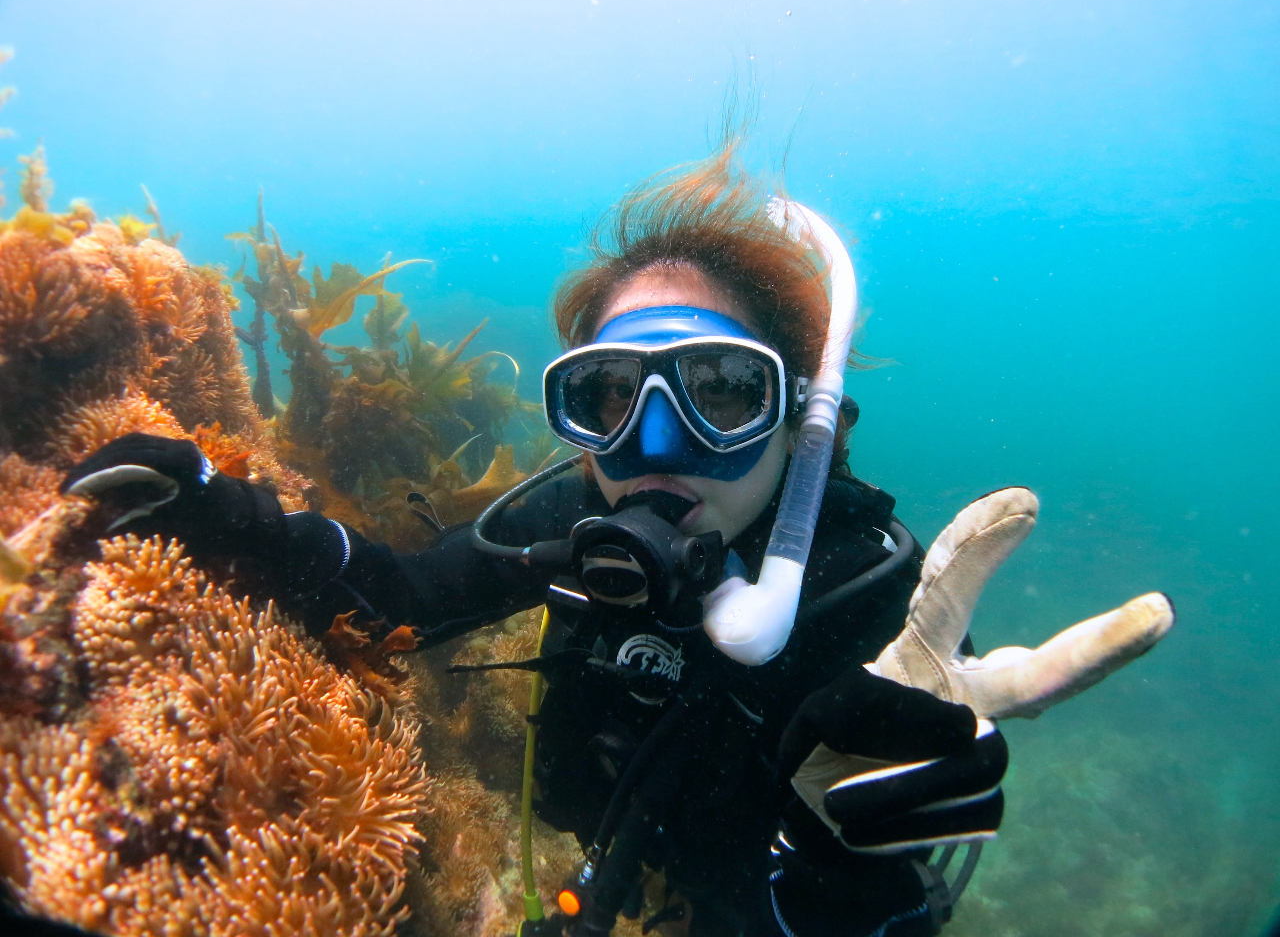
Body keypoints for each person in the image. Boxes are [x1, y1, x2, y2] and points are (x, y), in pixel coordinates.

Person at [60, 151, 1022, 937]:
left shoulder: (878, 597)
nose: (654, 445)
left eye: (721, 389)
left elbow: (881, 894)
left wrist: (839, 873)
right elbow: (398, 596)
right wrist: (233, 518)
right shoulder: (571, 520)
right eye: (608, 393)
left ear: (797, 421)